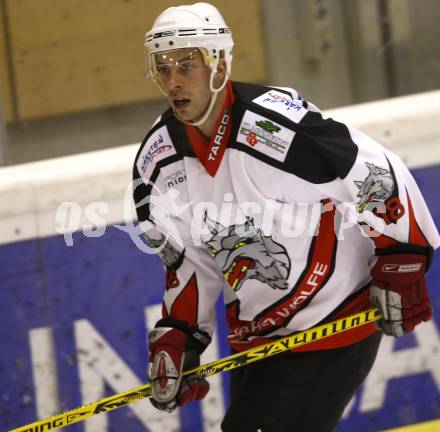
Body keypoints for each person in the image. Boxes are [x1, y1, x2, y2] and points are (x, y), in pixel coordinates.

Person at [132, 3, 440, 431]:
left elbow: (376, 168)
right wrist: (180, 334)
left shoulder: (276, 128)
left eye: (186, 64)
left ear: (220, 62)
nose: (173, 80)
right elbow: (188, 258)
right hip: (257, 336)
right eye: (162, 68)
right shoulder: (159, 161)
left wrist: (403, 256)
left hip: (332, 320)